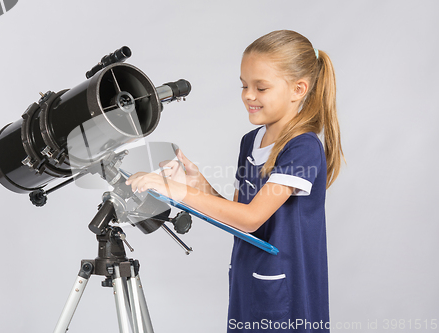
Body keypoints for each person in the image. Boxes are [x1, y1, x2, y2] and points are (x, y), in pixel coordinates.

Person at [126, 30, 344, 332]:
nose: (248, 96)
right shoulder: (250, 142)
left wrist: (173, 189)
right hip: (248, 281)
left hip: (286, 292)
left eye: (261, 87)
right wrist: (196, 185)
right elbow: (237, 215)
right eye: (244, 86)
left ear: (298, 89)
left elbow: (252, 219)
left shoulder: (302, 148)